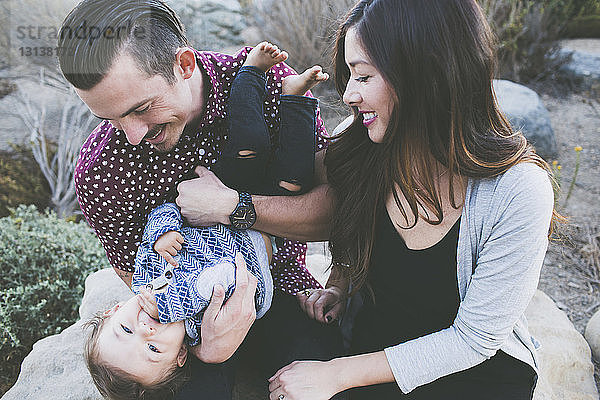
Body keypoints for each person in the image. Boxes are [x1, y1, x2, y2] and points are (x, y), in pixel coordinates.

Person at [180, 1, 557, 399]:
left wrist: (335, 375)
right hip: (375, 360)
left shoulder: (518, 189)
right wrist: (341, 284)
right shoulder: (361, 142)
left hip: (473, 375)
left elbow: (474, 341)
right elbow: (303, 196)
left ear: (425, 73)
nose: (348, 95)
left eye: (362, 76)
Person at [58, 1, 344, 399]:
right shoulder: (101, 171)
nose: (132, 136)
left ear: (185, 65)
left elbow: (331, 213)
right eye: (110, 119)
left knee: (329, 371)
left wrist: (232, 207)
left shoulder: (262, 82)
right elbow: (137, 278)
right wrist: (205, 348)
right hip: (180, 326)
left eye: (141, 109)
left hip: (280, 286)